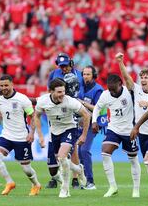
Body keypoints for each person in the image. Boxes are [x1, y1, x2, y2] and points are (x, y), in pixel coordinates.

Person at [116, 52, 148, 199]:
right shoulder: (137, 90)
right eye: (142, 77)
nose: (143, 80)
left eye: (146, 77)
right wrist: (120, 62)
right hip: (142, 134)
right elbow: (126, 78)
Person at [0, 75, 44, 196]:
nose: (4, 88)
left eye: (6, 85)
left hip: (22, 137)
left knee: (26, 169)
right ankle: (9, 182)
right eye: (1, 85)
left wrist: (32, 133)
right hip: (6, 135)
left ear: (12, 85)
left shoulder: (22, 99)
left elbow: (33, 117)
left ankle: (36, 184)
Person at [33, 78, 89, 198]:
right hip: (54, 133)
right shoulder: (43, 101)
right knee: (54, 170)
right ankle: (79, 170)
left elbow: (86, 115)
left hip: (70, 129)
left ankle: (65, 189)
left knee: (62, 157)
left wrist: (84, 135)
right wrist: (41, 136)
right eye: (59, 92)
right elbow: (36, 116)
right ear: (51, 92)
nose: (62, 94)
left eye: (63, 91)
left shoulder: (70, 101)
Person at [91, 74, 141, 198]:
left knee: (133, 159)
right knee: (105, 153)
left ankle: (136, 189)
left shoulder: (129, 93)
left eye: (114, 89)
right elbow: (97, 107)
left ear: (120, 84)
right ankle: (113, 186)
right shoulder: (105, 94)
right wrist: (94, 121)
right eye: (110, 89)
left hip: (130, 130)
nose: (112, 92)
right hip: (114, 129)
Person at [47, 52, 84, 189]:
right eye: (61, 66)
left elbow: (82, 92)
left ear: (71, 63)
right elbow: (49, 91)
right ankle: (55, 176)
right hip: (57, 111)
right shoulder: (54, 74)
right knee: (56, 148)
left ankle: (74, 178)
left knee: (72, 146)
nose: (63, 68)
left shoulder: (79, 75)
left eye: (66, 65)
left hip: (73, 109)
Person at [77, 65, 104, 190]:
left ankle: (90, 181)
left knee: (84, 150)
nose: (85, 76)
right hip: (80, 123)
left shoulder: (98, 90)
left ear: (93, 75)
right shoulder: (80, 87)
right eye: (84, 74)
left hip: (94, 124)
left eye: (88, 74)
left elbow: (97, 108)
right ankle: (82, 180)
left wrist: (82, 103)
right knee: (78, 152)